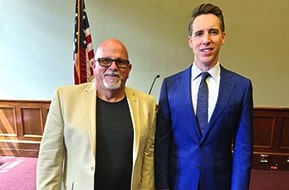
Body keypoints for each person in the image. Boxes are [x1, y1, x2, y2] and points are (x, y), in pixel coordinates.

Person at [155, 3, 253, 190]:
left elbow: (243, 150)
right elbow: (162, 146)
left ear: (223, 37)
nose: (206, 40)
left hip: (220, 183)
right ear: (190, 41)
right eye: (199, 33)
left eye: (213, 32)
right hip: (179, 182)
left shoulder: (241, 87)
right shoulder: (170, 86)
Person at [36, 38, 156, 190]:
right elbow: (49, 159)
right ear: (93, 66)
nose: (113, 67)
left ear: (129, 69)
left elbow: (147, 160)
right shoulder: (65, 98)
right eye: (105, 61)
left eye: (120, 62)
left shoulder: (147, 104)